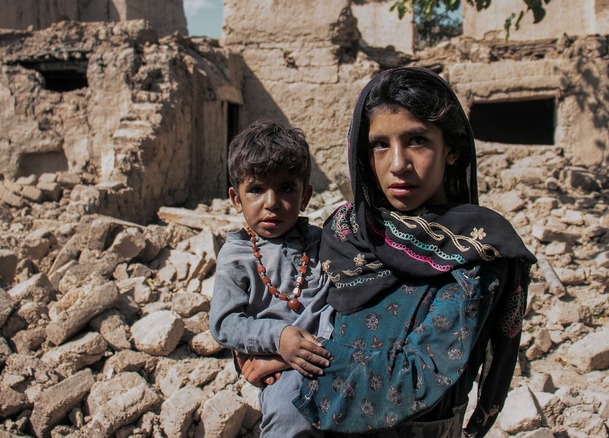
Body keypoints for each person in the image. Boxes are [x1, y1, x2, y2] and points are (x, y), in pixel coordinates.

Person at [288, 67, 537, 437]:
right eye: (380, 145)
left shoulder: (476, 250)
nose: (398, 164)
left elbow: (412, 383)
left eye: (417, 140)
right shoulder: (346, 232)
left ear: (451, 149)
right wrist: (273, 343)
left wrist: (288, 363)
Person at [209, 120, 335, 438]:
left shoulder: (322, 242)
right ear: (236, 199)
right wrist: (279, 340)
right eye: (256, 189)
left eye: (286, 188)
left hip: (337, 354)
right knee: (288, 415)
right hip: (288, 377)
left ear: (305, 196)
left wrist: (274, 361)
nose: (271, 202)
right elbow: (224, 323)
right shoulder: (236, 256)